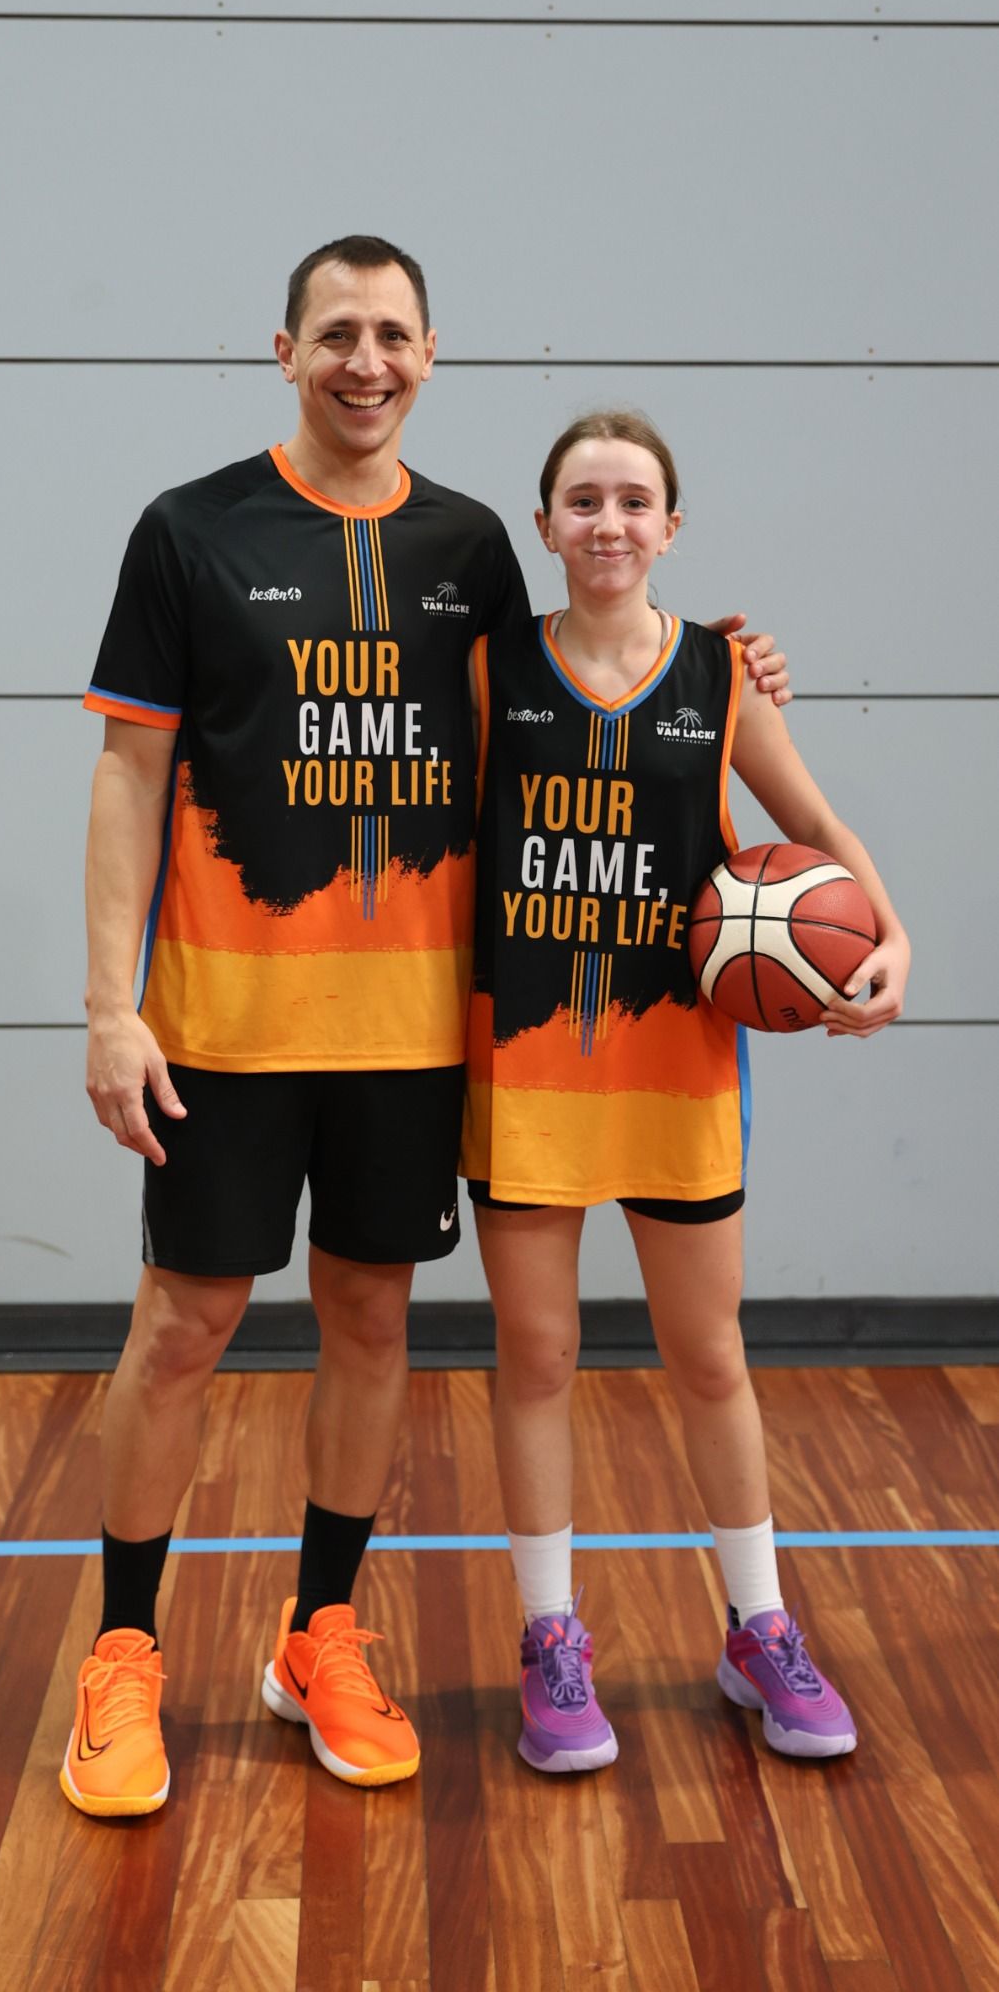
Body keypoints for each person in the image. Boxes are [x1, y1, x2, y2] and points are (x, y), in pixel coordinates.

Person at [65, 240, 790, 1817]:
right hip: (225, 1026)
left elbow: (577, 691)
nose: (364, 360)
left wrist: (727, 669)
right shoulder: (189, 531)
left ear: (430, 353)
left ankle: (318, 1633)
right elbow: (130, 774)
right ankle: (121, 1653)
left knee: (372, 1325)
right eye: (336, 332)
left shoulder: (468, 547)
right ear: (283, 351)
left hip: (410, 1035)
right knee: (181, 1329)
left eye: (391, 333)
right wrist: (112, 1007)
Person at [461, 409, 910, 1772]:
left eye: (632, 500)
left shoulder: (722, 677)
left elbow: (814, 829)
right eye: (582, 500)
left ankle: (757, 1627)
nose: (607, 522)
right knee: (538, 1358)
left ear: (670, 525)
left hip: (678, 1071)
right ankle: (550, 1638)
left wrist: (889, 941)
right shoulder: (486, 669)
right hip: (527, 1067)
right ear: (544, 524)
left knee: (709, 1357)